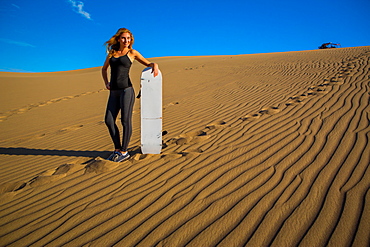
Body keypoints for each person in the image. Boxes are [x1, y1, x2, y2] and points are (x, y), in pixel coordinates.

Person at [102, 28, 159, 162]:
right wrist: (106, 82)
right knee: (109, 120)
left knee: (125, 120)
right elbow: (104, 69)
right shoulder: (112, 53)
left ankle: (124, 151)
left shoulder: (132, 53)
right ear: (118, 39)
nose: (126, 41)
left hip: (126, 90)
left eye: (128, 38)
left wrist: (155, 65)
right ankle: (117, 149)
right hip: (113, 92)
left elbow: (148, 63)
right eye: (123, 38)